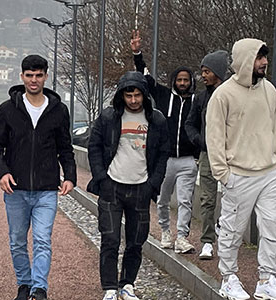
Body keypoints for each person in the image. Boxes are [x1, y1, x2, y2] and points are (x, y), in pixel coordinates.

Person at [206, 38, 276, 300]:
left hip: (270, 173)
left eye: (264, 57)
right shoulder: (223, 95)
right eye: (258, 57)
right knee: (232, 230)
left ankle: (266, 279)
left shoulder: (270, 91)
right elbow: (214, 137)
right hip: (238, 175)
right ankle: (228, 278)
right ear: (244, 60)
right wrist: (224, 175)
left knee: (271, 228)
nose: (264, 62)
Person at [0, 54, 76, 300]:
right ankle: (24, 284)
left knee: (42, 240)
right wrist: (2, 172)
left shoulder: (58, 110)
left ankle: (39, 288)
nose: (34, 80)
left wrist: (69, 175)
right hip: (15, 189)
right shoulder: (7, 110)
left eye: (39, 75)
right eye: (29, 75)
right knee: (17, 241)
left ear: (46, 76)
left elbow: (65, 147)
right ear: (22, 77)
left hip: (47, 189)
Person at [87, 71, 169, 300]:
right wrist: (101, 178)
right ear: (121, 96)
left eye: (137, 96)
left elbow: (163, 153)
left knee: (136, 241)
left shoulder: (157, 120)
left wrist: (153, 184)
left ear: (144, 95)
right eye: (128, 95)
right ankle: (110, 287)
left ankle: (128, 284)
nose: (133, 100)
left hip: (142, 187)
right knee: (110, 238)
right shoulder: (109, 117)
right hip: (112, 186)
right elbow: (94, 146)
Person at [130, 30, 199, 253]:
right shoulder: (163, 96)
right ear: (173, 82)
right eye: (179, 80)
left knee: (186, 201)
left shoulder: (197, 102)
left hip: (188, 160)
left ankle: (182, 237)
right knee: (162, 200)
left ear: (190, 82)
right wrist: (137, 53)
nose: (182, 83)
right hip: (166, 159)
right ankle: (165, 232)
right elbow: (144, 78)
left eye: (185, 80)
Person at [184, 50, 231, 260]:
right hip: (207, 155)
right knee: (207, 199)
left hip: (232, 156)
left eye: (207, 71)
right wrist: (199, 141)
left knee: (234, 199)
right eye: (202, 71)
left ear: (218, 72)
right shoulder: (201, 98)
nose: (203, 76)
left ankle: (228, 236)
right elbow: (189, 124)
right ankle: (207, 241)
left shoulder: (233, 96)